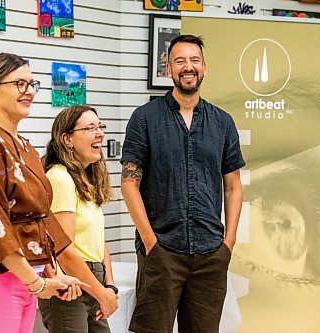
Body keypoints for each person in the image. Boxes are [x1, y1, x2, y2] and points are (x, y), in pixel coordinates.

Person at [0, 53, 118, 333]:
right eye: (19, 83)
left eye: (32, 84)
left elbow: (43, 220)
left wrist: (50, 270)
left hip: (27, 281)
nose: (29, 91)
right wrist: (37, 282)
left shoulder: (24, 146)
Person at [120, 34, 245, 333]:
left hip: (210, 254)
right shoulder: (144, 118)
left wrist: (228, 243)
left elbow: (233, 186)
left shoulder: (222, 122)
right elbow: (128, 183)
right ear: (168, 68)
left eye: (194, 60)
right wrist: (151, 243)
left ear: (204, 67)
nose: (188, 67)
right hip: (161, 252)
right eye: (180, 61)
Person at [38, 105, 118, 332]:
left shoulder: (85, 179)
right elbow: (64, 250)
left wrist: (109, 286)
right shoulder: (59, 178)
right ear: (68, 139)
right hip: (71, 282)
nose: (100, 133)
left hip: (93, 279)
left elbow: (99, 241)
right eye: (90, 128)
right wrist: (100, 292)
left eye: (100, 126)